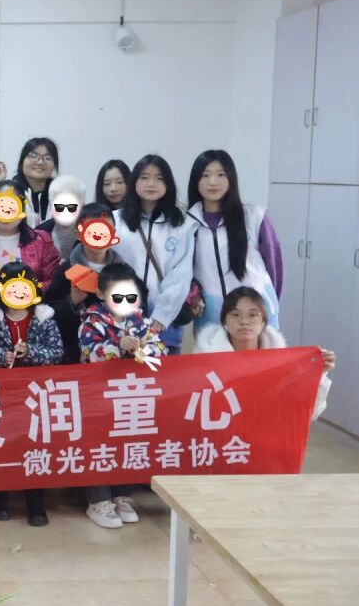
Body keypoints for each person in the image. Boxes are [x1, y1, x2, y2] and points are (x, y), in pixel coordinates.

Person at [0, 260, 63, 526]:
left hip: (35, 395)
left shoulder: (44, 317)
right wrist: (0, 356)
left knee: (34, 447)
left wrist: (31, 352)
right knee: (0, 446)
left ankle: (36, 505)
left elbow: (57, 352)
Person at [79, 263, 166, 529]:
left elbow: (160, 350)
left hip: (133, 396)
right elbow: (90, 354)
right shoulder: (92, 321)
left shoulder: (142, 322)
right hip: (99, 397)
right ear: (100, 294)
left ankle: (121, 495)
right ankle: (98, 501)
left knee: (130, 443)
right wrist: (117, 345)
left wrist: (144, 350)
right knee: (99, 446)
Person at [194, 287, 334, 420]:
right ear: (225, 321)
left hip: (264, 434)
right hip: (223, 434)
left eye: (252, 315)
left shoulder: (282, 363)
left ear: (263, 322)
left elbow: (303, 411)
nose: (244, 321)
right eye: (235, 314)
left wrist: (318, 374)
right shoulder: (204, 359)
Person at [186, 150, 283, 332]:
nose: (213, 181)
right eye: (205, 175)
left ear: (231, 178)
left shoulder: (253, 217)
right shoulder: (187, 225)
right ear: (195, 181)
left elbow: (274, 265)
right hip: (211, 316)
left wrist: (271, 303)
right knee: (213, 352)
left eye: (221, 174)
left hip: (255, 313)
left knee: (261, 352)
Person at [113, 155, 196, 355]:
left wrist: (162, 314)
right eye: (144, 177)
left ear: (168, 184)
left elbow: (181, 273)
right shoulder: (116, 221)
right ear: (134, 182)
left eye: (159, 178)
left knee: (166, 373)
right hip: (122, 317)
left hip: (163, 322)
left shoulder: (181, 224)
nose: (151, 184)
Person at [44, 203, 126, 364]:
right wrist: (72, 301)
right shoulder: (67, 269)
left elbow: (139, 306)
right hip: (74, 354)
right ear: (78, 234)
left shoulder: (122, 270)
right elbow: (48, 313)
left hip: (117, 354)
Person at [0, 137, 59, 226]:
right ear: (22, 161)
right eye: (33, 156)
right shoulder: (11, 192)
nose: (40, 162)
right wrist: (0, 183)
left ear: (54, 165)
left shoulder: (60, 195)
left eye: (48, 158)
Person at [37, 174, 86, 259]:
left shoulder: (91, 233)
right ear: (51, 205)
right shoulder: (38, 234)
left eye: (71, 207)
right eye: (59, 207)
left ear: (82, 206)